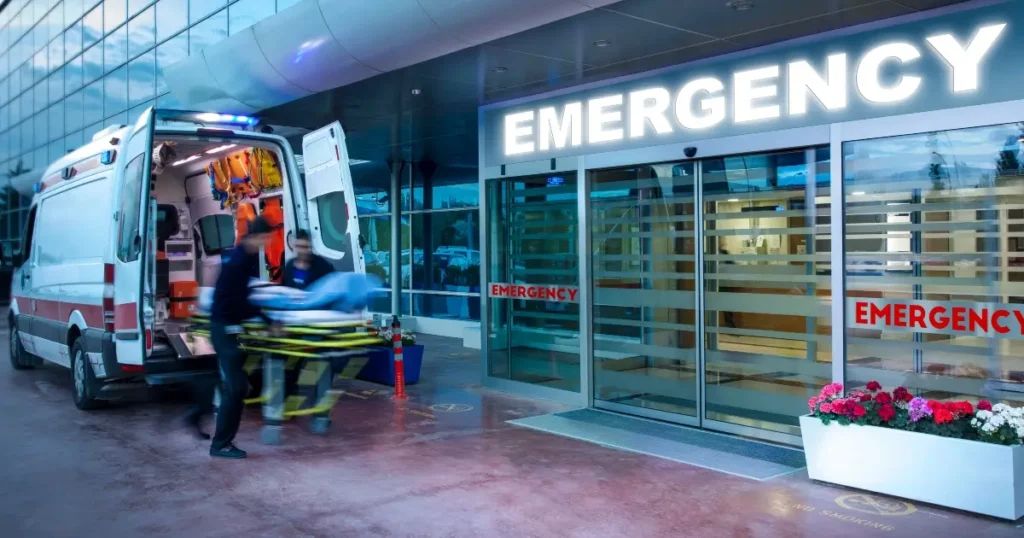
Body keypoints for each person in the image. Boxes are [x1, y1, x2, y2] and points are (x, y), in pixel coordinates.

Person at [186, 217, 279, 459]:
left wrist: (262, 319)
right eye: (266, 238)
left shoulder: (245, 257)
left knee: (234, 383)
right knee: (237, 386)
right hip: (223, 326)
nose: (267, 243)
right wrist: (267, 321)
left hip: (229, 326)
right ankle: (221, 444)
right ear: (258, 237)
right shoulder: (238, 260)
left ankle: (199, 414)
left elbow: (242, 297)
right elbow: (234, 301)